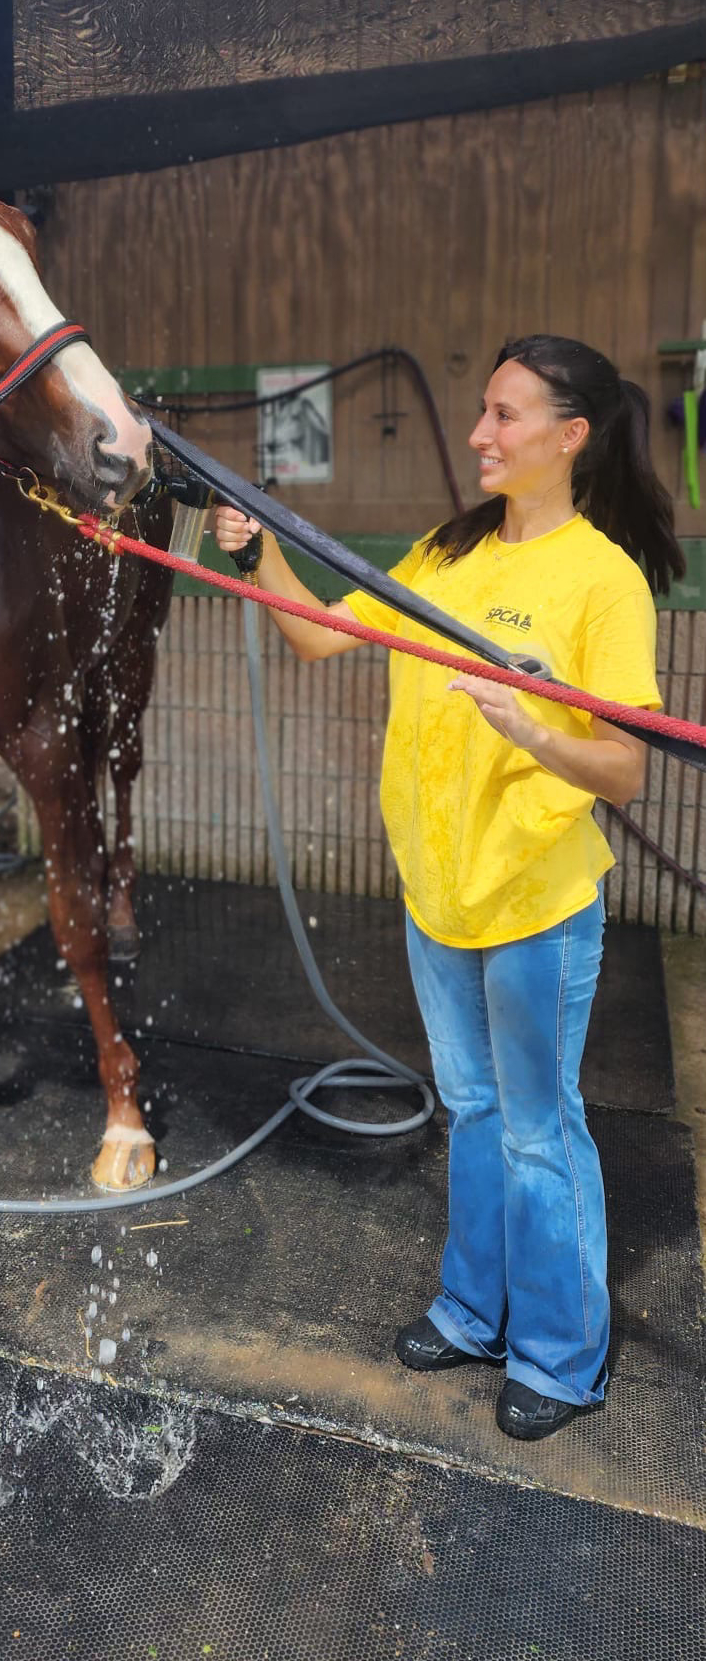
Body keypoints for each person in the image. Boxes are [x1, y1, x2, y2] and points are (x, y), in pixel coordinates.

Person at [213, 336, 683, 1442]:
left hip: (533, 900)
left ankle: (561, 1357)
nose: (480, 432)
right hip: (438, 891)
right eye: (482, 410)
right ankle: (473, 1311)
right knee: (470, 1110)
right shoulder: (445, 550)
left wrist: (535, 726)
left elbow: (624, 765)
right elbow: (319, 639)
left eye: (505, 415)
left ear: (569, 436)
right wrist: (255, 553)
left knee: (536, 1128)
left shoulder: (600, 579)